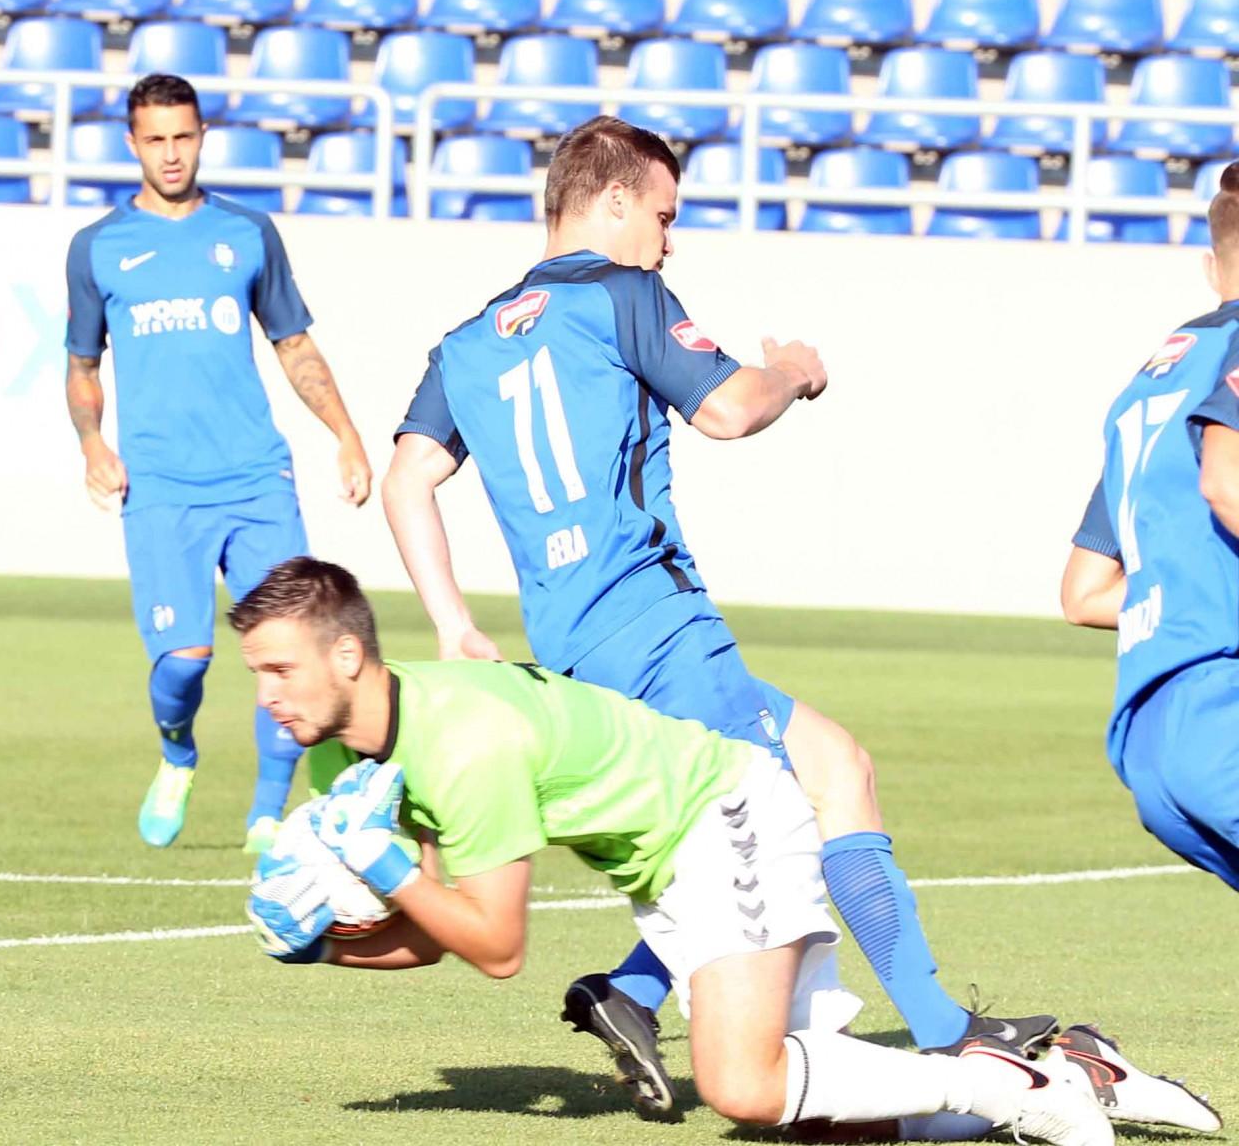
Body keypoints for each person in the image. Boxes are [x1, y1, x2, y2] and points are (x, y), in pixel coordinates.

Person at [381, 116, 1049, 1110]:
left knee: (834, 767)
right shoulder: (621, 293)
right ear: (612, 200)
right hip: (655, 623)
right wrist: (795, 371)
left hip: (571, 638)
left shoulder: (468, 340)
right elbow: (729, 408)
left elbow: (405, 479)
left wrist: (451, 622)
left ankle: (639, 993)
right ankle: (945, 1042)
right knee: (774, 814)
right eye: (662, 215)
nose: (668, 240)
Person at [233, 559, 1217, 1142]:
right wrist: (318, 944)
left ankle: (1017, 1087)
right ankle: (1069, 1071)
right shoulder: (344, 756)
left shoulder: (463, 742)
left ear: (348, 654)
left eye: (280, 668)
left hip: (724, 814)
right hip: (669, 863)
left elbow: (496, 945)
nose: (267, 695)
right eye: (257, 673)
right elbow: (434, 930)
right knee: (818, 1114)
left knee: (741, 1085)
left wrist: (383, 863)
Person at [64, 73, 371, 853]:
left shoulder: (249, 233)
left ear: (203, 136)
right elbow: (82, 367)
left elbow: (294, 345)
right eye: (155, 139)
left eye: (183, 137)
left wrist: (344, 432)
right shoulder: (98, 247)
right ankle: (178, 754)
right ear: (132, 143)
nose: (171, 154)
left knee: (291, 646)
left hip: (256, 477)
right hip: (161, 486)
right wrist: (92, 442)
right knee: (183, 661)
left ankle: (267, 812)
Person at [1062, 160, 1239, 892]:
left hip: (1151, 739)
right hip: (1223, 701)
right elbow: (1227, 483)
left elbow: (1083, 594)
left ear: (1211, 265)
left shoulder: (1149, 383)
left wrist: (1184, 590)